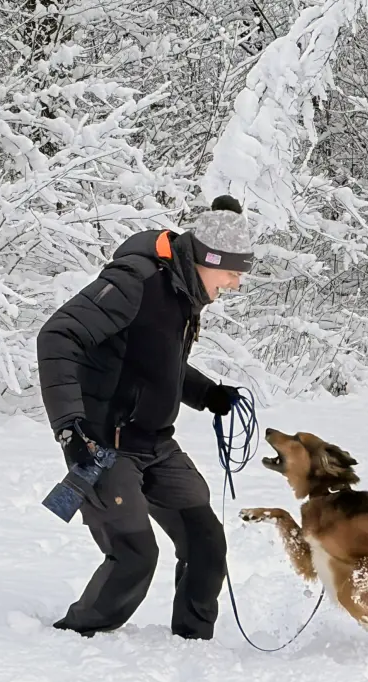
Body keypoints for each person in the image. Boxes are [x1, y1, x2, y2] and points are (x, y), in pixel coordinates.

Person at [35, 196, 254, 639]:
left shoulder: (183, 293)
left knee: (206, 542)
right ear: (207, 259)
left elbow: (156, 361)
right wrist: (69, 430)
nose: (235, 283)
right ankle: (76, 639)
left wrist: (205, 393)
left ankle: (192, 643)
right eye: (232, 272)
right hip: (101, 446)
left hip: (155, 444)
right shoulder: (135, 282)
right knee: (135, 555)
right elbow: (57, 337)